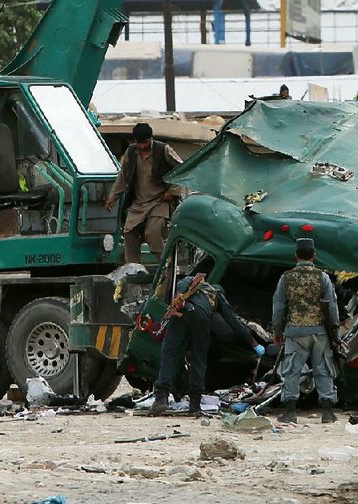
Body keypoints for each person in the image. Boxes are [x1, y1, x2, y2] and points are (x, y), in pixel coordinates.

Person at [151, 273, 262, 416]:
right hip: (201, 316)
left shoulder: (193, 282)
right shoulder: (217, 294)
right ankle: (195, 406)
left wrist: (179, 295)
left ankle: (161, 398)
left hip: (180, 312)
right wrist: (254, 343)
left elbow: (183, 283)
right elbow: (233, 321)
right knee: (199, 358)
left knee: (169, 353)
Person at [272, 238, 339, 424]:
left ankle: (290, 412)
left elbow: (278, 307)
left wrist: (277, 331)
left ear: (296, 256)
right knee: (323, 368)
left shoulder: (286, 278)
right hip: (319, 331)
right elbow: (332, 308)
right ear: (313, 256)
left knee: (292, 370)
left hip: (295, 331)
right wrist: (335, 334)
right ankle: (327, 412)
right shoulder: (322, 277)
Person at [105, 123, 183, 264]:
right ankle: (133, 268)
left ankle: (165, 267)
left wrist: (173, 191)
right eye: (139, 143)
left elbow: (182, 169)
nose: (142, 147)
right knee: (129, 233)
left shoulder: (163, 150)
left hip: (159, 201)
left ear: (151, 139)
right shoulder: (131, 152)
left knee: (152, 233)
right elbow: (123, 176)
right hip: (139, 203)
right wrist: (113, 196)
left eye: (145, 142)